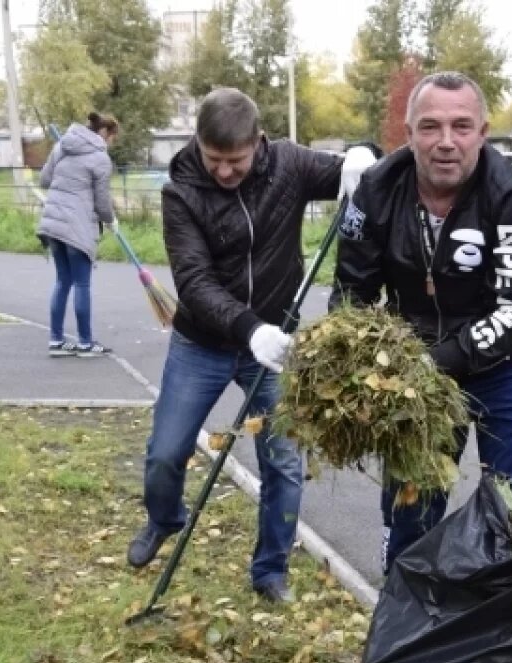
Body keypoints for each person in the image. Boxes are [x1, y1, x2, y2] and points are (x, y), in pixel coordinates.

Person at [125, 87, 375, 603]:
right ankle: (165, 517)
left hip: (276, 341)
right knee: (165, 453)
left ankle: (270, 570)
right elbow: (192, 281)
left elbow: (353, 176)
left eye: (234, 161)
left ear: (257, 143)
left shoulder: (288, 164)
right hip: (204, 342)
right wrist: (248, 328)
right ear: (198, 144)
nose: (222, 172)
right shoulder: (181, 193)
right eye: (213, 159)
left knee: (283, 461)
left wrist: (361, 154)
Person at [330, 71, 512, 573]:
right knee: (411, 510)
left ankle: (501, 626)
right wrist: (355, 364)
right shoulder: (374, 191)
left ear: (483, 132)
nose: (446, 142)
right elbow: (352, 293)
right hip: (415, 363)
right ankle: (403, 623)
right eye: (430, 127)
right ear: (408, 133)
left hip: (506, 364)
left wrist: (431, 365)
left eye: (462, 126)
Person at [37, 111, 120, 357]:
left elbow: (44, 180)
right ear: (105, 133)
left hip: (52, 224)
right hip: (77, 226)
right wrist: (111, 220)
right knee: (82, 283)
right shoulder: (100, 158)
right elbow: (102, 201)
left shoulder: (62, 145)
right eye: (113, 138)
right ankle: (85, 343)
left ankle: (56, 341)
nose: (111, 144)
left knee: (63, 281)